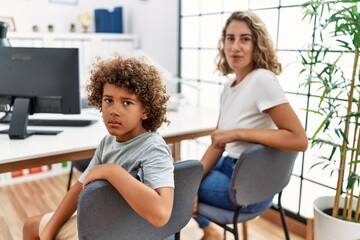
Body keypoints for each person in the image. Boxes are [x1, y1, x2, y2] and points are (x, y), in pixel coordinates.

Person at [23, 55, 175, 239]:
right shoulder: (108, 143)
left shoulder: (153, 148)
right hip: (105, 220)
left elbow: (161, 214)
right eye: (108, 100)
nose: (114, 110)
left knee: (31, 227)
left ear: (146, 111)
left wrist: (111, 171)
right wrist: (50, 230)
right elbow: (78, 189)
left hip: (123, 230)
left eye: (127, 102)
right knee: (34, 226)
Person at [192, 11, 308, 240]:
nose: (235, 46)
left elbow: (299, 139)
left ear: (257, 44)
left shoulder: (262, 79)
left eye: (245, 39)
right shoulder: (228, 88)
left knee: (170, 189)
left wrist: (238, 133)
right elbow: (217, 144)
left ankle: (208, 230)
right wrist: (191, 183)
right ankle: (209, 229)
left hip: (249, 185)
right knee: (182, 178)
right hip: (229, 168)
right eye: (230, 38)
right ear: (223, 43)